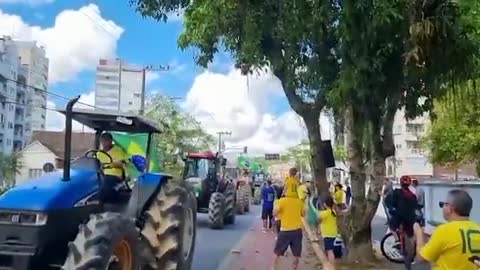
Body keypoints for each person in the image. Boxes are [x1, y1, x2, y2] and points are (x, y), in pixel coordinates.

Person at [413, 189, 480, 270]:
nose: (442, 207)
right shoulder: (477, 228)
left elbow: (420, 259)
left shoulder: (444, 231)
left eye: (442, 204)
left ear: (450, 208)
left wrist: (419, 233)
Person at [272, 187, 305, 270]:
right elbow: (303, 214)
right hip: (297, 231)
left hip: (285, 230)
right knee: (296, 254)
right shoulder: (299, 202)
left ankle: (273, 268)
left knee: (277, 252)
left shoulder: (282, 201)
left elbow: (275, 213)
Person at [96, 132, 128, 203]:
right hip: (101, 174)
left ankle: (99, 203)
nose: (104, 143)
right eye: (103, 141)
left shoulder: (118, 150)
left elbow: (121, 163)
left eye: (107, 140)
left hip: (115, 175)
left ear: (111, 141)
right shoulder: (98, 153)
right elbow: (94, 163)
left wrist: (109, 165)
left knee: (107, 181)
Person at [388, 175, 418, 240]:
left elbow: (393, 204)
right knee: (410, 234)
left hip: (399, 216)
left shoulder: (397, 192)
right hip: (410, 218)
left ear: (401, 184)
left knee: (391, 225)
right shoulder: (413, 195)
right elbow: (415, 206)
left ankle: (397, 240)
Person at [318, 195, 339, 267]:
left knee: (330, 251)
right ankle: (331, 264)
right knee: (330, 250)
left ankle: (331, 265)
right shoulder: (333, 212)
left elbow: (318, 219)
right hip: (333, 233)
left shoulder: (326, 213)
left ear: (325, 204)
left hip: (327, 234)